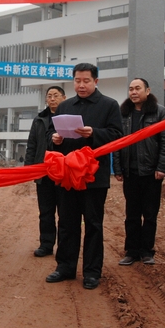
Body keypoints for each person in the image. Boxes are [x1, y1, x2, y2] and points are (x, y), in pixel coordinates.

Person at [46, 63, 123, 289]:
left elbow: (117, 136)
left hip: (94, 176)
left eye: (86, 81)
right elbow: (52, 132)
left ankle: (91, 271)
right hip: (68, 174)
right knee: (67, 223)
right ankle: (65, 267)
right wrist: (55, 139)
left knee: (93, 224)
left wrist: (94, 133)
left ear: (96, 81)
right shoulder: (65, 105)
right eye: (77, 81)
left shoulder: (109, 105)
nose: (81, 85)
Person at [112, 78, 165, 266]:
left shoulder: (159, 112)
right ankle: (131, 251)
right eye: (131, 89)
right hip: (130, 172)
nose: (134, 92)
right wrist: (117, 168)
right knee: (132, 214)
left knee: (150, 214)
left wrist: (162, 168)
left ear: (147, 90)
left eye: (138, 88)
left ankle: (147, 251)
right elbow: (117, 143)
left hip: (151, 173)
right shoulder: (123, 113)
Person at [25, 86, 66, 257]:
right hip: (44, 171)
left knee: (65, 212)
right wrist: (29, 169)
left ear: (64, 98)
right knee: (46, 211)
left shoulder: (69, 118)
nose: (52, 99)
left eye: (56, 95)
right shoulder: (39, 120)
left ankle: (64, 247)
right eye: (49, 96)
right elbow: (32, 145)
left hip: (64, 172)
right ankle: (46, 244)